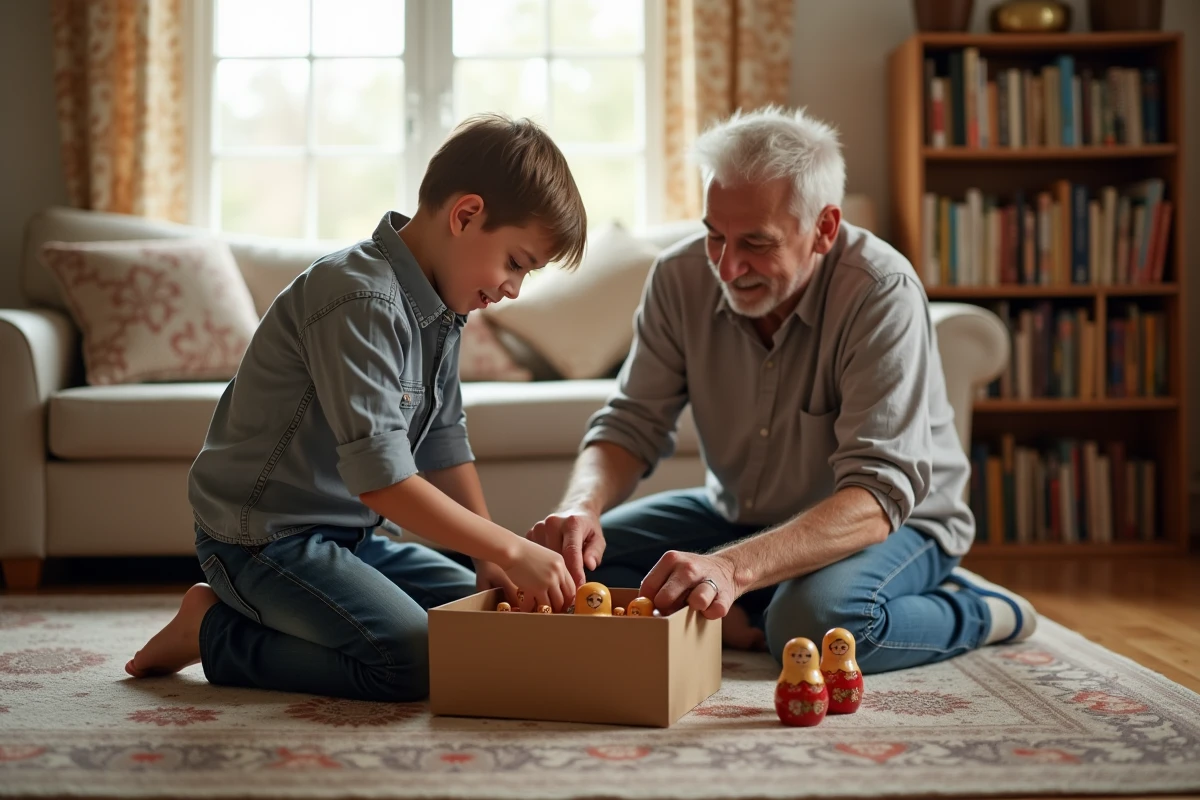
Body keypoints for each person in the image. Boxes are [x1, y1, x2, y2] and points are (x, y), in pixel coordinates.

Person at [526, 106, 1037, 673]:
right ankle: (758, 599)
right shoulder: (678, 277)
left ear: (824, 228)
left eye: (756, 242)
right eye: (714, 235)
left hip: (894, 522)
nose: (727, 266)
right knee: (560, 573)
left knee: (812, 626)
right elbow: (630, 425)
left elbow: (877, 497)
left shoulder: (880, 291)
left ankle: (980, 610)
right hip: (737, 515)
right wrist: (582, 506)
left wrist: (730, 568)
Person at [125, 114, 584, 700]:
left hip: (353, 538)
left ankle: (282, 615)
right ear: (465, 215)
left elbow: (444, 437)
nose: (513, 289)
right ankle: (213, 628)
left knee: (484, 621)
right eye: (516, 263)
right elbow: (383, 482)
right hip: (263, 540)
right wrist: (512, 549)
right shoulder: (359, 297)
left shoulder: (442, 308)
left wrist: (487, 557)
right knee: (413, 660)